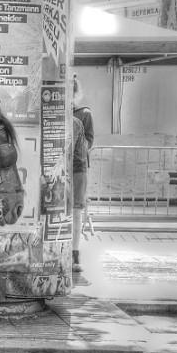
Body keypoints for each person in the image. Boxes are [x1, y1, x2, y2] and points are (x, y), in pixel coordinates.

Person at [72, 76, 95, 274]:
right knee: (75, 211)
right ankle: (72, 251)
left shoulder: (83, 114)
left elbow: (88, 142)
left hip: (77, 168)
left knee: (76, 210)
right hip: (69, 167)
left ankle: (74, 251)